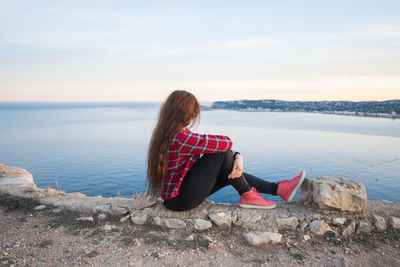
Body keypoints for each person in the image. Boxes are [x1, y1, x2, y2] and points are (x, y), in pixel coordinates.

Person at [147, 90, 306, 212]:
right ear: (187, 115)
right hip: (180, 201)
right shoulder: (180, 138)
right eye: (193, 114)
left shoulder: (169, 132)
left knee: (227, 169)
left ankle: (277, 189)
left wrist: (236, 155)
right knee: (222, 155)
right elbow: (224, 143)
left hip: (176, 196)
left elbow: (212, 144)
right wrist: (237, 155)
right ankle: (252, 194)